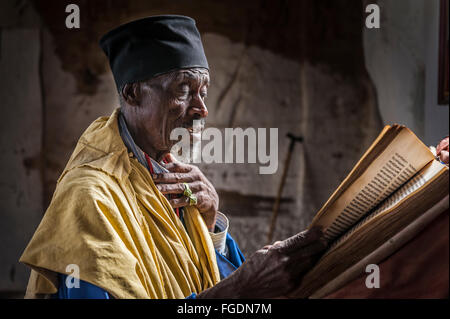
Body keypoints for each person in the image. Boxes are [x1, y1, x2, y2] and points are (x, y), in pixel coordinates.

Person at [19, 15, 327, 299]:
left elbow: (205, 285)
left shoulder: (172, 179)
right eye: (183, 90)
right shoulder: (89, 197)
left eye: (203, 92)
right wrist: (241, 289)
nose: (201, 109)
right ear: (132, 94)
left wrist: (209, 228)